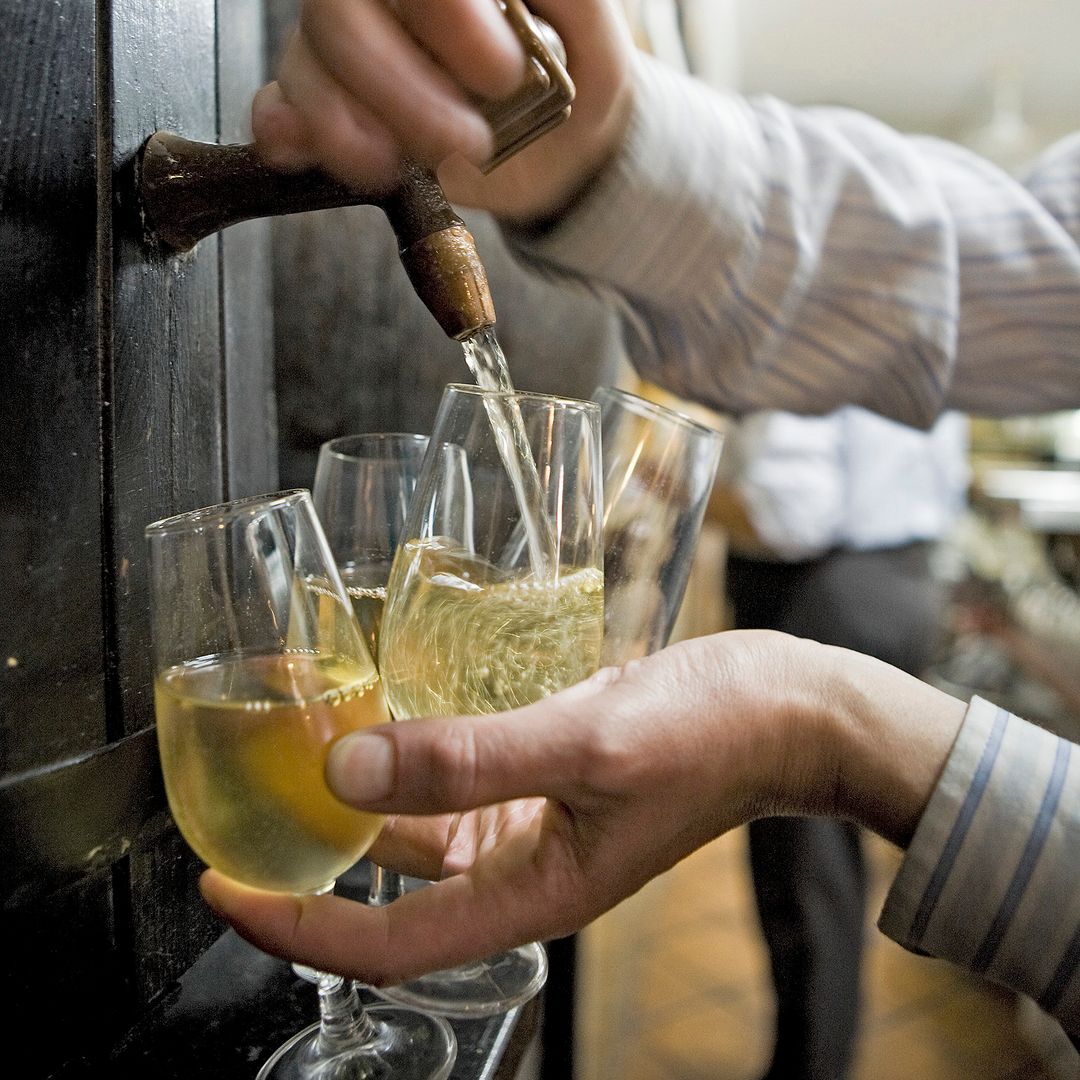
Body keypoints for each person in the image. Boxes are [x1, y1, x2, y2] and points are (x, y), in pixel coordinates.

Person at [202, 0, 1080, 1046]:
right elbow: (1013, 267)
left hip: (826, 584)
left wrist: (815, 722)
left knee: (807, 886)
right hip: (901, 579)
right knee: (817, 884)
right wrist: (612, 153)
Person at [711, 407, 969, 1079]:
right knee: (830, 861)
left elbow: (789, 512)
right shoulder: (909, 303)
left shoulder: (801, 311)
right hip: (906, 582)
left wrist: (683, 486)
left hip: (822, 599)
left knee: (801, 868)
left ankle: (809, 1066)